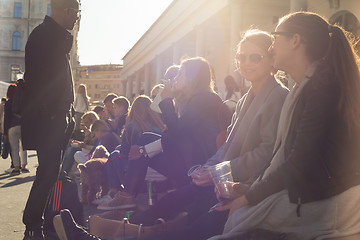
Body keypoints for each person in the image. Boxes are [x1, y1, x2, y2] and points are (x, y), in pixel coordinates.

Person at [210, 12, 360, 240]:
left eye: (274, 38)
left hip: (334, 201)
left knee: (238, 218)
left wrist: (250, 196)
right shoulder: (308, 86)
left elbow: (298, 161)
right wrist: (250, 188)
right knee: (236, 215)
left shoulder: (321, 89)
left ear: (295, 41)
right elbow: (290, 157)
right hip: (315, 191)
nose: (270, 48)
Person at [131, 30, 289, 240]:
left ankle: (134, 230)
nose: (246, 62)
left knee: (198, 219)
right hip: (222, 177)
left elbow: (267, 152)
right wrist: (210, 167)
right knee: (173, 201)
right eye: (241, 57)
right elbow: (228, 144)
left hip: (249, 184)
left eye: (255, 57)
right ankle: (127, 227)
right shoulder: (244, 99)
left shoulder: (278, 96)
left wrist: (217, 171)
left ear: (272, 60)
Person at [98, 57, 224, 210]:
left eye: (180, 74)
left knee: (140, 144)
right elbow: (173, 134)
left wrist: (167, 100)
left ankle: (127, 195)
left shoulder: (203, 99)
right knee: (144, 141)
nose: (174, 79)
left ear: (192, 78)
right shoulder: (197, 99)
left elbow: (175, 134)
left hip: (197, 169)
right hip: (189, 162)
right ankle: (127, 195)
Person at [20, 0, 80, 239]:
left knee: (51, 171)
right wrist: (53, 112)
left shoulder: (54, 35)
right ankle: (34, 224)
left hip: (56, 117)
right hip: (50, 118)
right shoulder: (45, 36)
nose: (77, 17)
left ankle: (38, 222)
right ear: (66, 11)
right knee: (47, 171)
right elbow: (36, 79)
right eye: (76, 12)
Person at [105, 95, 165, 198]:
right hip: (160, 170)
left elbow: (124, 153)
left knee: (114, 155)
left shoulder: (132, 126)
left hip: (140, 170)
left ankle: (114, 191)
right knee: (117, 151)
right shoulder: (160, 126)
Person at [4, 84, 28, 176]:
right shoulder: (23, 102)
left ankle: (16, 167)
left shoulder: (8, 102)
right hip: (23, 126)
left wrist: (5, 132)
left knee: (14, 148)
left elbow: (6, 118)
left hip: (12, 127)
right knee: (24, 146)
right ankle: (24, 166)